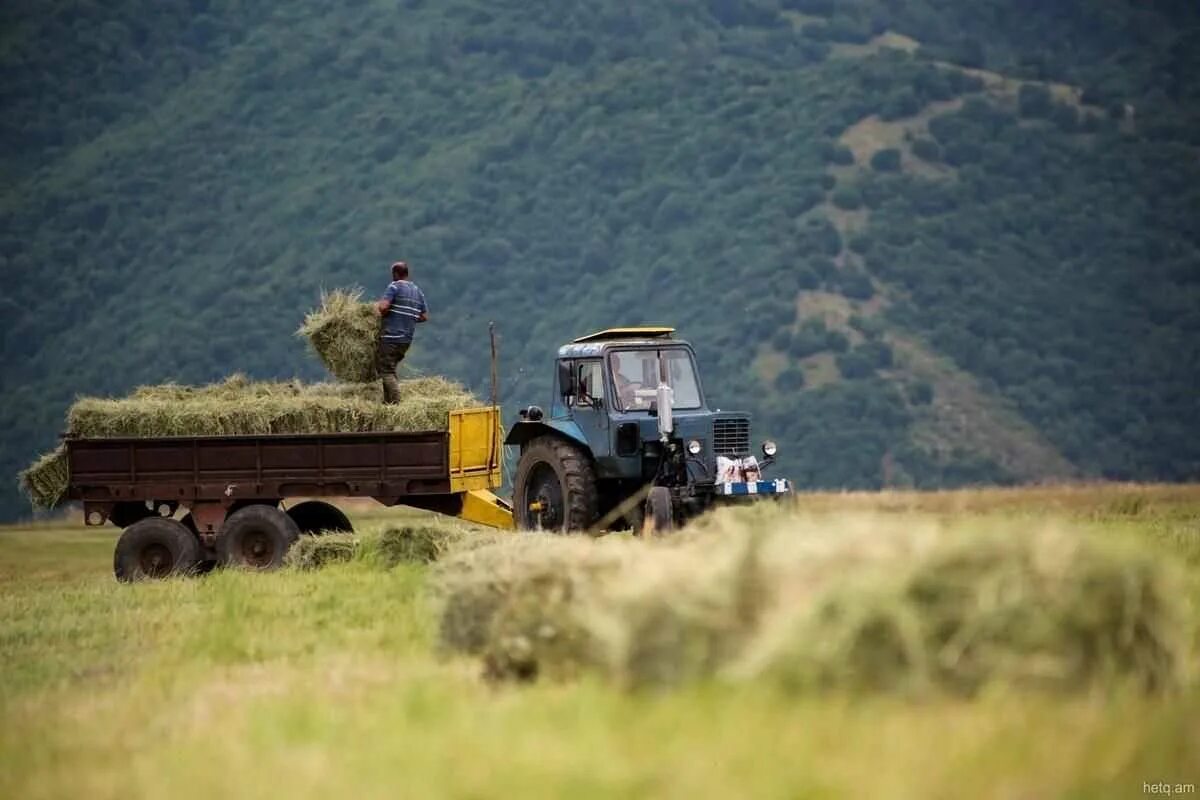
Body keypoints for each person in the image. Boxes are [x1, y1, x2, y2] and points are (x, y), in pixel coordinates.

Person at [375, 260, 428, 404]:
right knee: (390, 370)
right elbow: (424, 316)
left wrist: (379, 307)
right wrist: (407, 317)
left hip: (391, 337)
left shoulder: (394, 287)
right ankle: (388, 404)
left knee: (385, 371)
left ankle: (397, 402)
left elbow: (383, 308)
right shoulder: (417, 291)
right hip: (405, 340)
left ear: (396, 274)